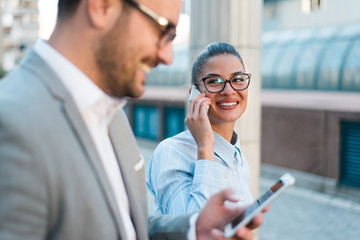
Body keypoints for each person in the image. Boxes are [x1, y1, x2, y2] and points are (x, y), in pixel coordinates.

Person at [0, 0, 264, 239]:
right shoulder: (11, 121)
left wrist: (192, 228)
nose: (167, 56)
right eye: (162, 29)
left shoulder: (114, 117)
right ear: (101, 6)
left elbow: (121, 226)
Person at [147, 42, 254, 215]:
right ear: (194, 94)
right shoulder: (171, 153)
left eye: (238, 79)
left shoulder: (237, 157)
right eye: (214, 81)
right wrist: (205, 147)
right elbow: (193, 231)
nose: (228, 90)